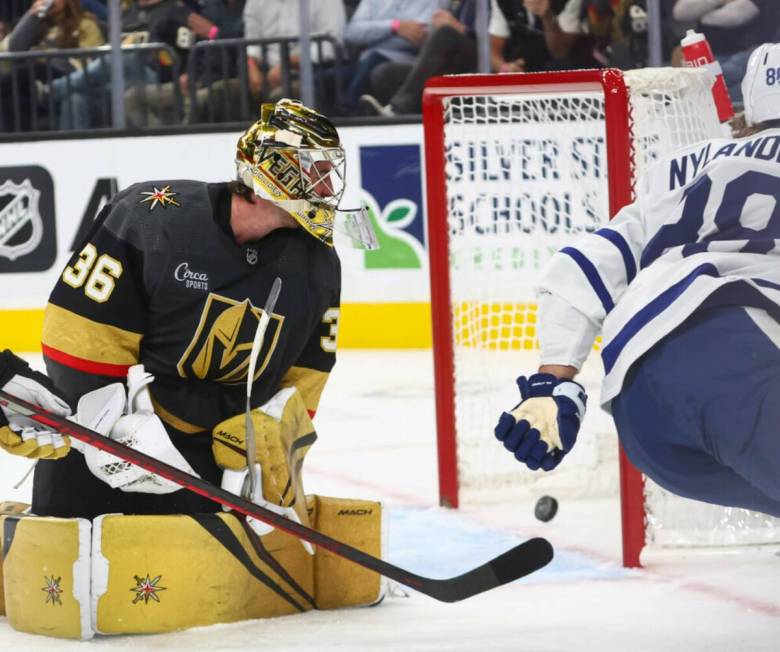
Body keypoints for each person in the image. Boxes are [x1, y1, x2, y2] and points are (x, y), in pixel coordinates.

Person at [494, 44, 780, 519]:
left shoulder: (679, 168)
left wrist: (552, 385)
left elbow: (583, 266)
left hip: (642, 415)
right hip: (737, 356)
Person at [358, 0, 477, 117]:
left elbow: (489, 46)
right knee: (383, 74)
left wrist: (457, 27)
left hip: (473, 69)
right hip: (446, 68)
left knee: (445, 33)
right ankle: (402, 118)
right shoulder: (454, 5)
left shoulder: (483, 5)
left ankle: (398, 110)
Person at [0, 0, 104, 132]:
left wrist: (54, 58)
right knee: (11, 101)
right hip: (36, 85)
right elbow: (13, 48)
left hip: (65, 76)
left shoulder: (86, 24)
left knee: (33, 67)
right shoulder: (36, 24)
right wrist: (32, 16)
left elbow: (90, 63)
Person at [341, 0, 448, 114]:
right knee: (328, 78)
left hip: (408, 58)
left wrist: (374, 33)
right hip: (365, 60)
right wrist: (394, 27)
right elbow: (352, 33)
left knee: (375, 60)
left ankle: (351, 113)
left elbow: (419, 35)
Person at [243, 0, 345, 103]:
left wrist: (288, 64)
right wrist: (251, 67)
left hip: (310, 75)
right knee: (229, 91)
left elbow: (329, 45)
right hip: (266, 72)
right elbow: (252, 43)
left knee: (281, 98)